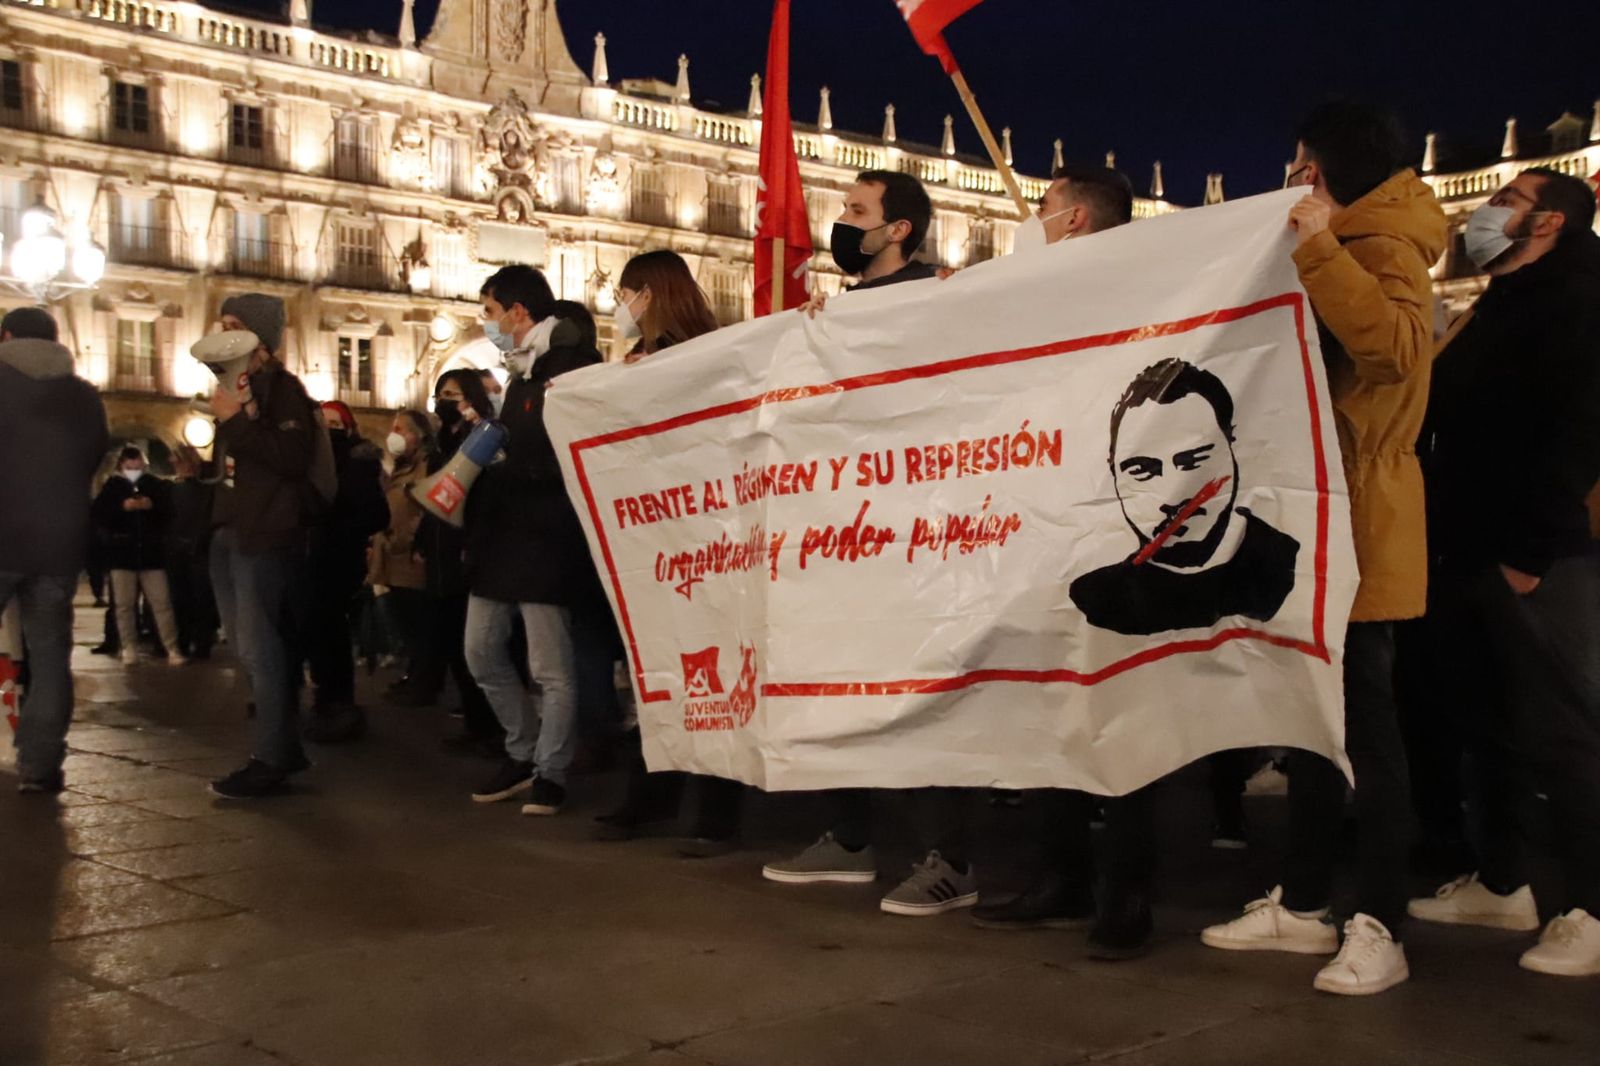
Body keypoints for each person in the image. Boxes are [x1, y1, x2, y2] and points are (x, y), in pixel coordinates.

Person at [1201, 101, 1447, 995]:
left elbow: (1394, 350)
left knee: (1368, 739)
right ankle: (1305, 905)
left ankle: (1380, 922)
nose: (1292, 177)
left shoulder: (1384, 250)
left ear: (1326, 168)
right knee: (1313, 728)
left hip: (1364, 521)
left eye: (1301, 164)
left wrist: (1318, 250)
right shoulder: (1347, 243)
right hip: (1319, 515)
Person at [763, 171, 980, 916]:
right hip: (844, 531)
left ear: (899, 232)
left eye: (857, 212)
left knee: (914, 693)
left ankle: (948, 858)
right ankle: (850, 838)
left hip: (916, 532)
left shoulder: (940, 297)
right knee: (839, 684)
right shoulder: (842, 310)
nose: (843, 222)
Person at [963, 165, 1167, 957]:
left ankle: (1127, 893)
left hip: (1116, 530)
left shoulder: (1141, 293)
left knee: (1123, 712)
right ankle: (1062, 877)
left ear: (1077, 219)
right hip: (1041, 525)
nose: (1034, 220)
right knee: (1052, 705)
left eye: (1044, 209)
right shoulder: (1032, 294)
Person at [1408, 167, 1600, 977]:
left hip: (1535, 552)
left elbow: (1583, 429)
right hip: (1469, 543)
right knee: (1488, 725)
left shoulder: (1582, 296)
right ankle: (1503, 882)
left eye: (1506, 201)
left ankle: (1589, 908)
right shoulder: (1502, 299)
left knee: (1565, 733)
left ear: (1548, 221)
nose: (1487, 213)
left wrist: (1528, 552)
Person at [590, 254, 742, 852]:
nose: (619, 306)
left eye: (625, 293)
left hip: (698, 541)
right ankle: (654, 792)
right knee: (658, 671)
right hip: (659, 539)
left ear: (648, 296)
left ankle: (714, 811)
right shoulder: (658, 357)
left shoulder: (687, 356)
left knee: (707, 675)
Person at [462, 264, 600, 815]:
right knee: (480, 650)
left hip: (546, 535)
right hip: (504, 534)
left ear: (519, 312)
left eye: (491, 312)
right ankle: (522, 747)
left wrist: (512, 463)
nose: (488, 324)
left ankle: (550, 768)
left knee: (550, 665)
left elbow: (569, 451)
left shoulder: (570, 366)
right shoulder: (521, 372)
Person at [1069, 357, 1300, 635]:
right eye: (1143, 471)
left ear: (1234, 450)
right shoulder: (1096, 598)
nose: (1173, 492)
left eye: (1194, 462)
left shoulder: (1287, 564)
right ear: (1114, 474)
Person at [205, 293, 322, 798]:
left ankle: (273, 755)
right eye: (223, 324)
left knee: (262, 647)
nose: (226, 333)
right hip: (232, 529)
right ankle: (282, 747)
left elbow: (291, 457)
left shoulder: (285, 391)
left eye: (237, 326)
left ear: (262, 340)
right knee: (245, 646)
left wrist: (235, 421)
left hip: (266, 534)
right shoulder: (240, 389)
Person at [0, 305, 109, 793]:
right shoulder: (85, 397)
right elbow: (92, 457)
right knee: (49, 658)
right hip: (59, 542)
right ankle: (40, 766)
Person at [408, 369, 501, 754]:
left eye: (455, 394)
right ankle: (474, 721)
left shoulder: (481, 438)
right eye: (442, 394)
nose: (447, 402)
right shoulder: (442, 442)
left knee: (475, 648)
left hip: (465, 552)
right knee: (450, 643)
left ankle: (490, 726)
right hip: (441, 552)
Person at [799, 168, 940, 318]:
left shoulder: (931, 300)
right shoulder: (851, 301)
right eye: (845, 209)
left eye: (858, 212)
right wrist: (824, 321)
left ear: (897, 230)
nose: (841, 219)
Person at [92, 446, 186, 666]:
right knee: (124, 605)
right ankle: (129, 647)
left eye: (137, 465)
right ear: (121, 466)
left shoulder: (153, 485)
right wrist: (121, 508)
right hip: (122, 555)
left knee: (161, 603)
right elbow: (99, 515)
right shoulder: (113, 487)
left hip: (151, 555)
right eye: (129, 466)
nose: (134, 469)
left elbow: (169, 513)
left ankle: (171, 647)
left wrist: (151, 506)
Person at [367, 408, 434, 707]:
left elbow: (423, 509)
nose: (396, 434)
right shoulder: (401, 467)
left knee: (419, 623)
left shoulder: (426, 466)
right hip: (392, 555)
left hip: (409, 555)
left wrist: (404, 538)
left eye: (403, 428)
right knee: (406, 621)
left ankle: (423, 682)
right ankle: (414, 675)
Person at [613, 249, 721, 363]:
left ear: (646, 296)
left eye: (623, 294)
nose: (621, 303)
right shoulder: (711, 345)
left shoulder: (659, 356)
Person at [165, 444, 219, 659]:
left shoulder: (202, 489)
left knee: (197, 598)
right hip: (182, 549)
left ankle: (199, 640)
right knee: (183, 598)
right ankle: (189, 640)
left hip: (196, 549)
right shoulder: (177, 490)